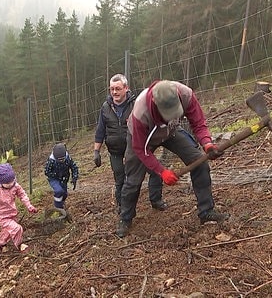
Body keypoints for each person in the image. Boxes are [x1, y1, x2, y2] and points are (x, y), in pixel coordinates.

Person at [116, 80, 230, 237]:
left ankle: (206, 211)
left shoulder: (186, 94)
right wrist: (161, 171)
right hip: (142, 139)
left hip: (171, 131)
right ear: (155, 103)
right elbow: (141, 149)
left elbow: (198, 123)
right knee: (134, 180)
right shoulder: (140, 112)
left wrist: (207, 143)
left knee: (199, 163)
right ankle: (126, 218)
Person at [94, 73, 167, 213]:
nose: (114, 92)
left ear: (126, 88)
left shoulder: (136, 104)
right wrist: (96, 151)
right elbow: (100, 130)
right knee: (120, 179)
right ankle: (123, 207)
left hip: (135, 147)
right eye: (112, 89)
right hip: (115, 150)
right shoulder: (105, 107)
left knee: (155, 171)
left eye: (118, 88)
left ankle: (156, 200)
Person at [0, 163, 37, 253]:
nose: (11, 184)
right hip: (0, 216)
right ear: (0, 182)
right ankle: (19, 245)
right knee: (17, 228)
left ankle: (1, 243)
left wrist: (29, 206)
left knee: (8, 230)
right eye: (8, 183)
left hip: (11, 212)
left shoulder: (14, 185)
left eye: (12, 180)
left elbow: (22, 195)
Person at [44, 143, 79, 210]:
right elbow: (47, 172)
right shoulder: (51, 161)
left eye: (63, 159)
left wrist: (74, 178)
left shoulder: (68, 158)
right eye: (59, 159)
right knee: (59, 191)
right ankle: (58, 208)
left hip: (64, 178)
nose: (61, 161)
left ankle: (61, 203)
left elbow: (74, 167)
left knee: (64, 194)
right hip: (54, 179)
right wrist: (55, 175)